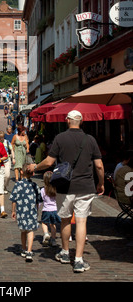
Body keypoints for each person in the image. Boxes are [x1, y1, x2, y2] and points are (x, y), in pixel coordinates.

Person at [27, 110, 104, 273]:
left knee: (65, 220)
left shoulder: (60, 138)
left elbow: (49, 161)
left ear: (67, 120)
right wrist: (101, 183)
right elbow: (99, 165)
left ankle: (64, 252)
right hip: (85, 186)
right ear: (81, 122)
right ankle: (78, 259)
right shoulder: (90, 139)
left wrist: (35, 166)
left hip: (64, 186)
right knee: (82, 221)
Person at [10, 163, 42, 262]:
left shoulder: (18, 185)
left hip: (20, 211)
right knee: (30, 230)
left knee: (23, 230)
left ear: (21, 172)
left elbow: (13, 199)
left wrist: (13, 211)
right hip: (31, 211)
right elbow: (38, 200)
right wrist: (37, 210)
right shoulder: (34, 185)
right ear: (32, 174)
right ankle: (29, 250)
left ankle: (24, 248)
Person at [40, 171, 60, 247]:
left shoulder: (43, 190)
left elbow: (40, 200)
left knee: (44, 223)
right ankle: (53, 240)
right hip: (55, 210)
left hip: (46, 210)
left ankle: (46, 234)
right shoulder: (56, 189)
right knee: (53, 225)